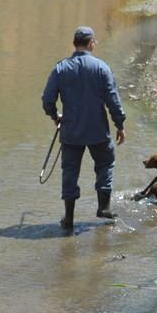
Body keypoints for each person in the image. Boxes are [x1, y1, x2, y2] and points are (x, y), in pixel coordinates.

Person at [42, 26, 126, 231]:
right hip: (98, 130)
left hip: (71, 131)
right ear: (91, 44)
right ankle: (104, 207)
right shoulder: (101, 68)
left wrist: (55, 116)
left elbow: (47, 99)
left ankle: (69, 218)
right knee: (105, 163)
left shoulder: (60, 68)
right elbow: (112, 99)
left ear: (74, 44)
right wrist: (120, 124)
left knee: (70, 172)